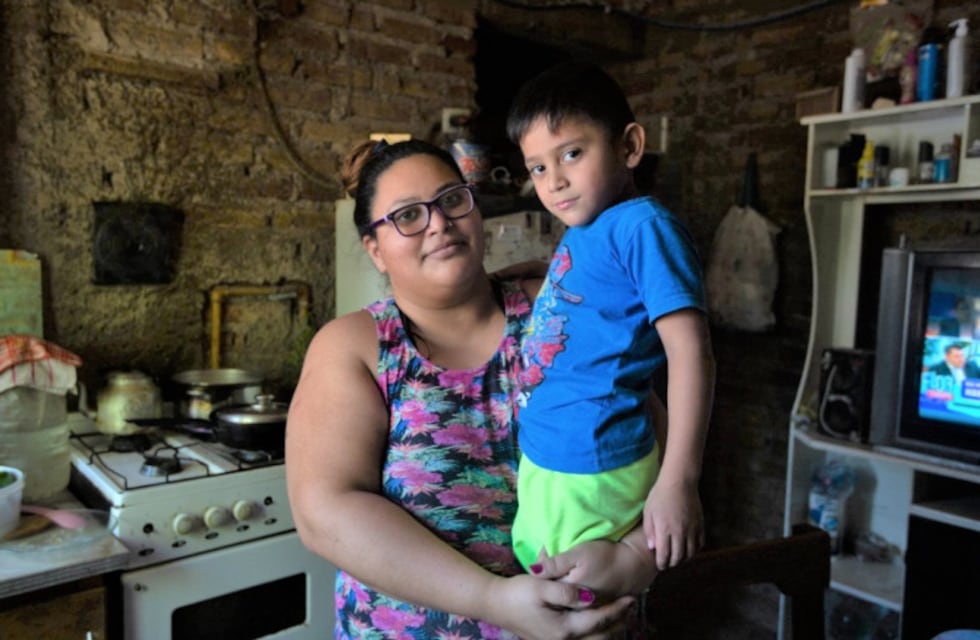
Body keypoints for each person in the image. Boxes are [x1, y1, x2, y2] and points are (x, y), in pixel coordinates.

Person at [285, 138, 656, 639]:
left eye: (451, 200)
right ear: (374, 249)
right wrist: (494, 600)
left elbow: (652, 437)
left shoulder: (556, 311)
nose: (438, 222)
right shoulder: (355, 347)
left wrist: (636, 558)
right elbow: (325, 511)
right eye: (408, 216)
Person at [505, 60, 716, 573]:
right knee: (551, 592)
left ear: (629, 147)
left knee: (581, 599)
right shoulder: (590, 226)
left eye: (572, 154)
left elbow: (692, 353)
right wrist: (525, 272)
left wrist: (679, 480)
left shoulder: (643, 226)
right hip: (553, 456)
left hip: (594, 464)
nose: (554, 181)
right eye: (537, 168)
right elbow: (586, 283)